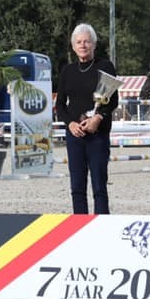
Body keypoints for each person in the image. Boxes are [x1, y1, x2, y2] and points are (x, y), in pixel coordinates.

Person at [55, 23, 118, 214]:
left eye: (87, 42)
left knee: (99, 186)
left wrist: (98, 117)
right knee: (77, 187)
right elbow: (60, 105)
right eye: (79, 42)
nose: (83, 45)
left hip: (97, 135)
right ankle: (79, 227)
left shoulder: (105, 66)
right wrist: (70, 123)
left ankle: (102, 226)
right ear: (73, 46)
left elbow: (112, 99)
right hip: (75, 136)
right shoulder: (67, 71)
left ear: (94, 44)